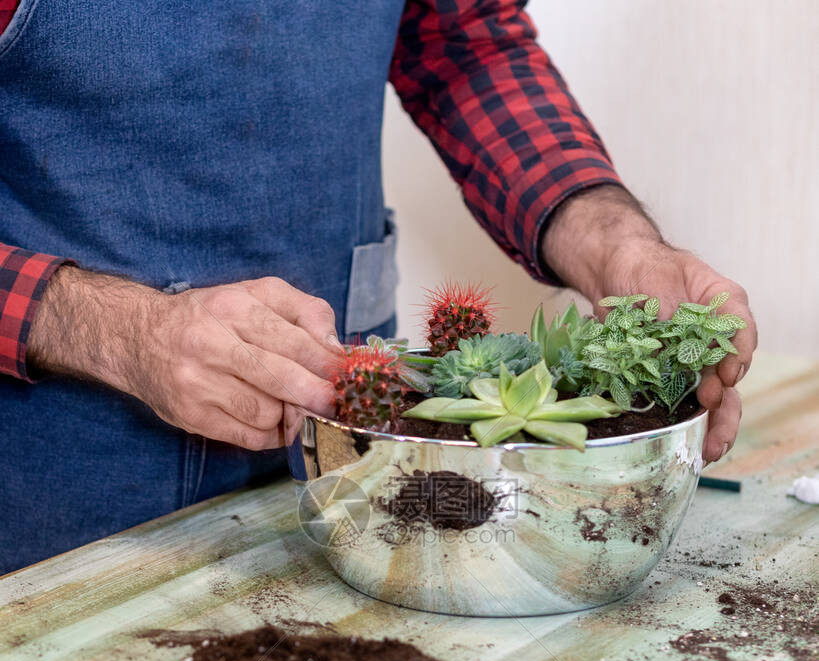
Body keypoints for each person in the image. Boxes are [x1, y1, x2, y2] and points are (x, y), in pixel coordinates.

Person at [0, 1, 755, 576]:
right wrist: (114, 329)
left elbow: (465, 48)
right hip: (52, 478)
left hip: (351, 444)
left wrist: (614, 241)